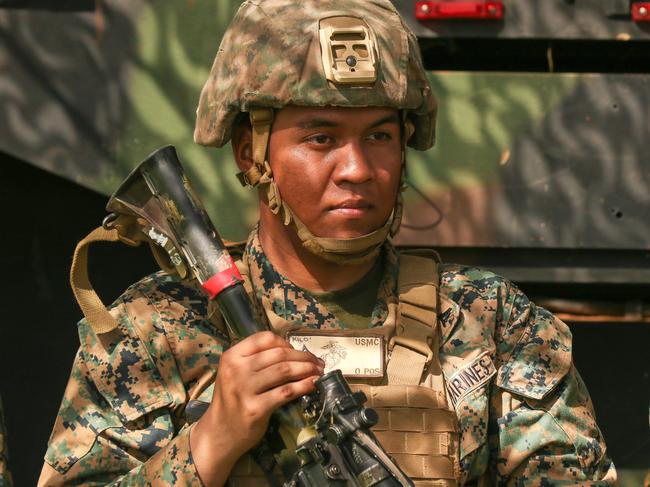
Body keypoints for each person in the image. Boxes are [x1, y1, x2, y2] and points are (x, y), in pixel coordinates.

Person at [39, 0, 617, 485]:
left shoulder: (490, 320)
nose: (357, 169)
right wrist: (211, 443)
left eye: (380, 136)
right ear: (251, 154)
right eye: (321, 137)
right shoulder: (156, 327)